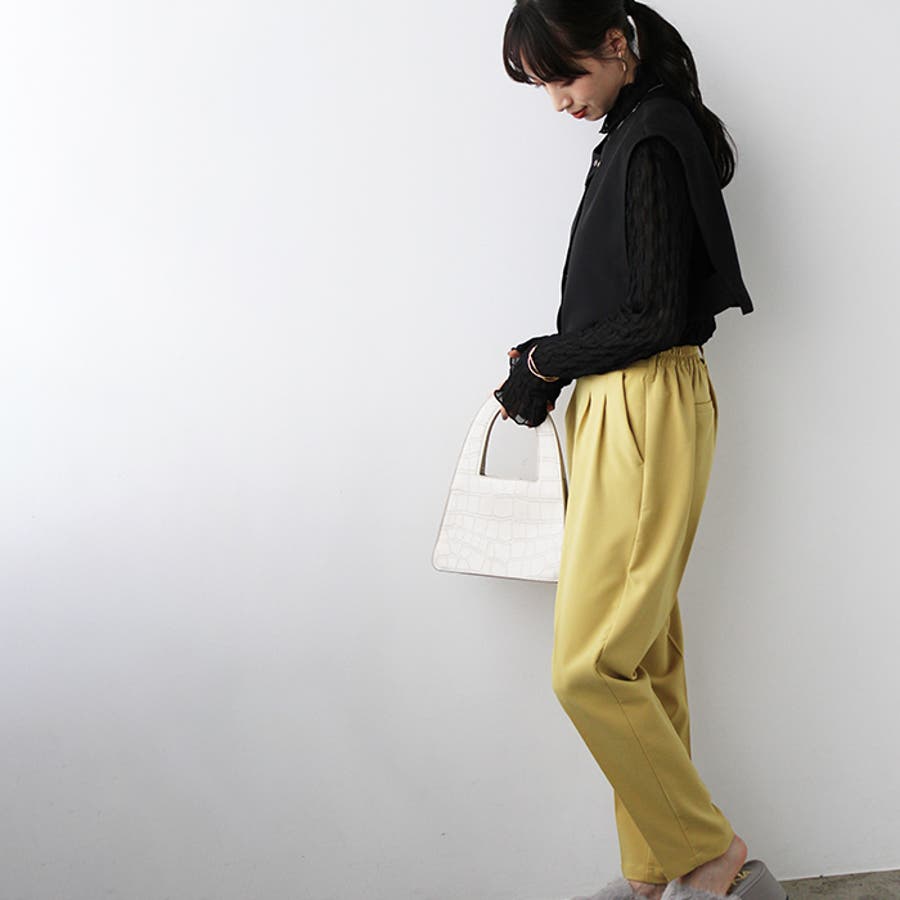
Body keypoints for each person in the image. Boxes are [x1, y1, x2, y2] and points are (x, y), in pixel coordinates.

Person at [494, 3, 762, 900]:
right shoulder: (633, 132)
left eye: (564, 76)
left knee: (591, 665)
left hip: (645, 400)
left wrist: (546, 361)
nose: (559, 102)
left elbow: (653, 317)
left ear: (616, 45)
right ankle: (656, 868)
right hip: (622, 400)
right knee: (640, 658)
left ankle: (708, 853)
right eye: (544, 86)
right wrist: (553, 362)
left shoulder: (652, 137)